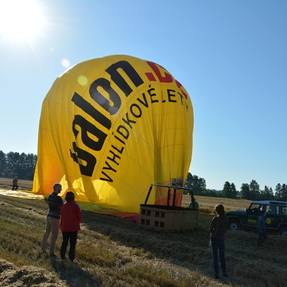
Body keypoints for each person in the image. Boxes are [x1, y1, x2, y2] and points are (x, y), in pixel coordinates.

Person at [41, 183, 63, 256]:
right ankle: (51, 252)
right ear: (56, 188)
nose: (61, 189)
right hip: (55, 217)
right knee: (54, 234)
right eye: (60, 188)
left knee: (47, 232)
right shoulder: (59, 198)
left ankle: (43, 247)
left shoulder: (50, 196)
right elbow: (62, 208)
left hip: (49, 216)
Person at [60, 191, 81, 262]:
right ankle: (71, 258)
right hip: (73, 228)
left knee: (64, 242)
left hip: (64, 227)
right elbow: (79, 217)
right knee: (72, 244)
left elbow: (62, 215)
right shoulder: (76, 206)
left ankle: (62, 256)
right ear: (73, 197)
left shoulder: (63, 205)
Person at [210, 204, 227, 279]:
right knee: (222, 256)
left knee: (215, 257)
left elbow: (210, 229)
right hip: (222, 239)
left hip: (214, 239)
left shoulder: (215, 218)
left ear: (217, 211)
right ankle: (224, 272)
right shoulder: (226, 219)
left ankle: (217, 274)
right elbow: (226, 229)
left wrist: (213, 233)